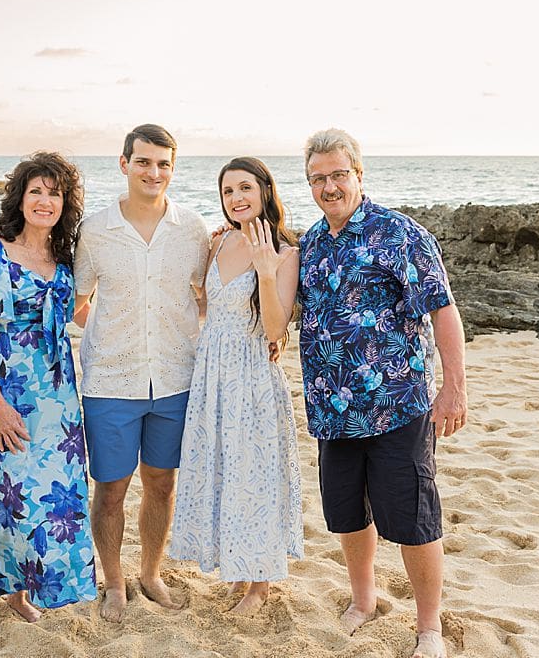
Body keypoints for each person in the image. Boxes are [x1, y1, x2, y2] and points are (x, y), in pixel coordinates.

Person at [296, 129, 468, 658]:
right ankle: (364, 599)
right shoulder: (310, 243)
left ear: (359, 175)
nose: (329, 187)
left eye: (338, 175)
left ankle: (429, 628)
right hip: (332, 408)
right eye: (318, 178)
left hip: (398, 406)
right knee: (349, 514)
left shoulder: (400, 234)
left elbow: (443, 310)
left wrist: (453, 388)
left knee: (415, 519)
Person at [0, 152, 96, 634]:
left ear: (64, 203)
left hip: (58, 394)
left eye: (54, 192)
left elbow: (85, 317)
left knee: (45, 497)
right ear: (20, 199)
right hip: (4, 390)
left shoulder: (65, 261)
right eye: (36, 191)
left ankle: (21, 590)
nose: (45, 201)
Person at [73, 124, 211, 622]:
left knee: (161, 483)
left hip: (176, 378)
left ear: (173, 169)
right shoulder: (95, 230)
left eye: (164, 164)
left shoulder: (192, 228)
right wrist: (111, 333)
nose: (154, 172)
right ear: (124, 163)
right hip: (111, 381)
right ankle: (114, 584)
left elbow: (208, 295)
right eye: (145, 162)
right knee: (110, 487)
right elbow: (78, 301)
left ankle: (150, 573)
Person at [168, 157, 304, 615]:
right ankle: (239, 565)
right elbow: (206, 303)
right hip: (212, 372)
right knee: (224, 468)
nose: (237, 198)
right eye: (228, 192)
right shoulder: (220, 240)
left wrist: (266, 271)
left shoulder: (285, 252)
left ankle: (259, 584)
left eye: (245, 188)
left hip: (252, 376)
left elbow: (273, 328)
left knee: (255, 473)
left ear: (265, 190)